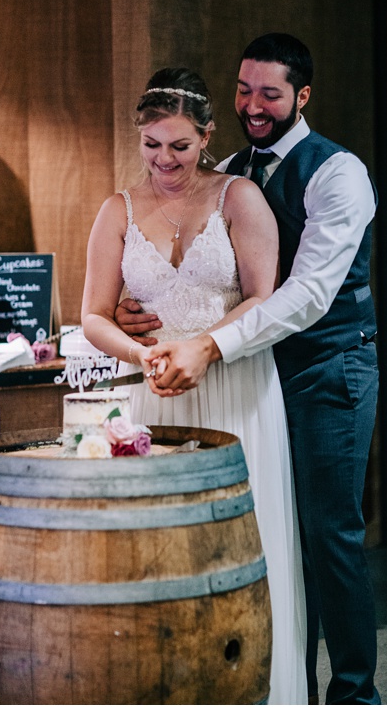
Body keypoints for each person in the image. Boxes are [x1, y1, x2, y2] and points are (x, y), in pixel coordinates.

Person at [118, 35, 382, 705]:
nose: (253, 105)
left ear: (303, 95)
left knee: (331, 534)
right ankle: (286, 679)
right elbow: (214, 275)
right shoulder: (233, 170)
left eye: (269, 93)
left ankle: (353, 693)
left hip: (330, 365)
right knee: (279, 534)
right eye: (243, 89)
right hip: (256, 375)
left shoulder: (338, 173)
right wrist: (139, 303)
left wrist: (209, 346)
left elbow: (308, 293)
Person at [80, 68, 309, 704]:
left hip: (235, 385)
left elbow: (265, 299)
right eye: (152, 144)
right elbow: (92, 314)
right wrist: (144, 354)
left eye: (179, 145)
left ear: (207, 137)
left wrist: (201, 348)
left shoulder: (238, 198)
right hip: (153, 391)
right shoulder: (116, 209)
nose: (164, 160)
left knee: (240, 541)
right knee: (162, 554)